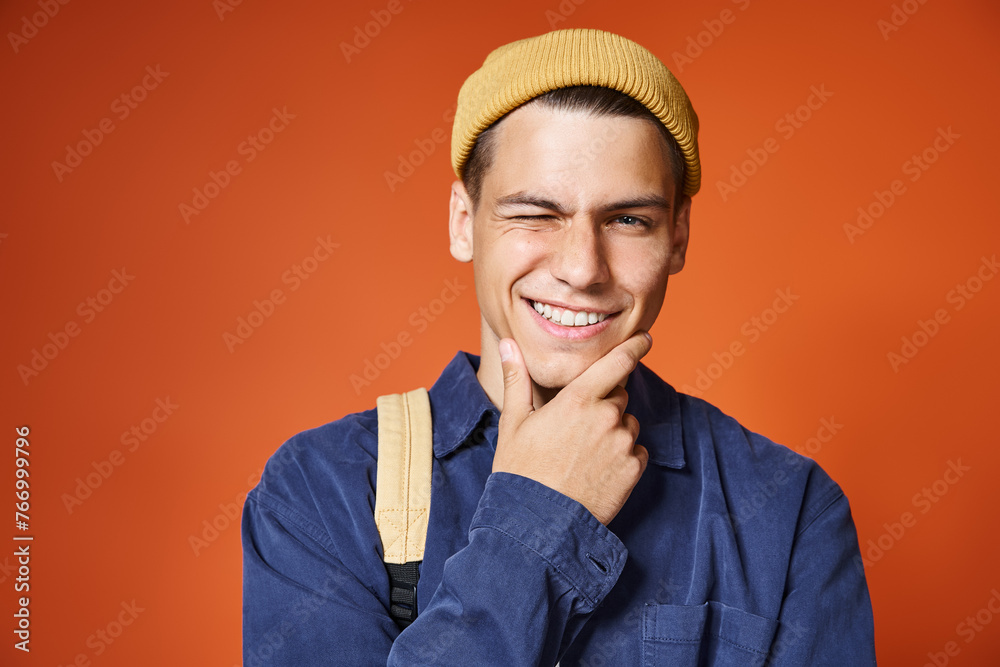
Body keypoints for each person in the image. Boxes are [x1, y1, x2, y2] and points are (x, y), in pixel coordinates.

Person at [242, 27, 876, 665]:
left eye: (628, 219)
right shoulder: (321, 492)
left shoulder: (790, 512)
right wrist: (542, 513)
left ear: (678, 236)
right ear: (465, 223)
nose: (582, 268)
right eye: (534, 213)